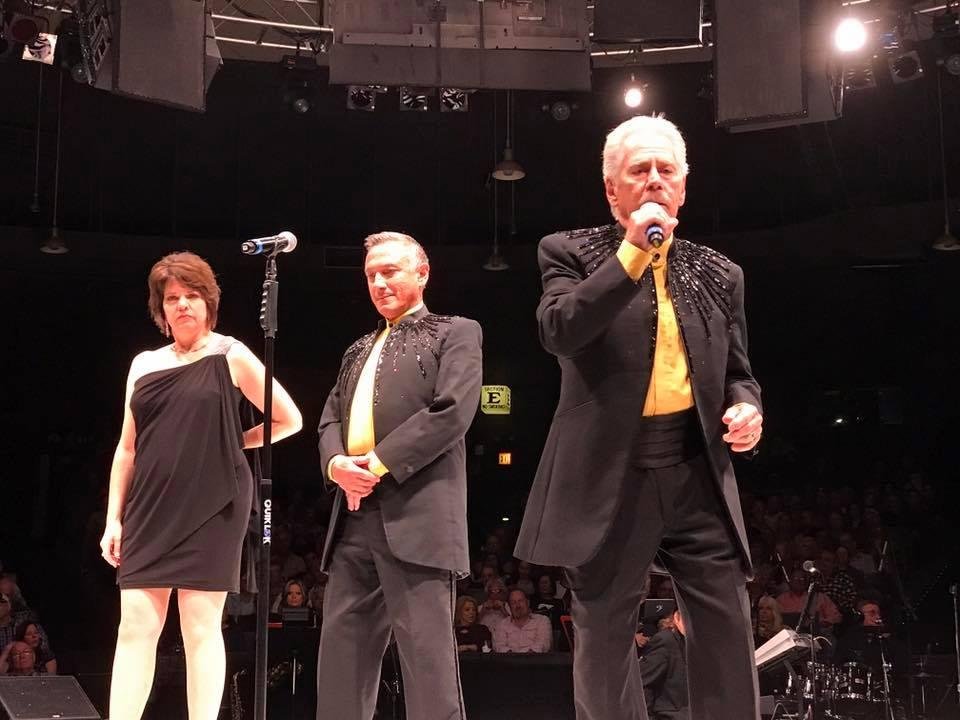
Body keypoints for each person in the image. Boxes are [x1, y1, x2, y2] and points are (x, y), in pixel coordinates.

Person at [516, 114, 764, 720]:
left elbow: (738, 370)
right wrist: (632, 251)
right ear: (612, 189)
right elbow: (560, 330)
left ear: (683, 186)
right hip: (611, 474)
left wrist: (747, 406)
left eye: (666, 170)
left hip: (697, 470)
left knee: (727, 630)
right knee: (604, 635)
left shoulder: (721, 272)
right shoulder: (568, 251)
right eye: (640, 170)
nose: (655, 179)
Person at [98, 251, 302, 720]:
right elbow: (126, 448)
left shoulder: (231, 355)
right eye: (172, 298)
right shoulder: (143, 364)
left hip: (215, 503)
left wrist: (233, 441)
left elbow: (288, 419)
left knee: (200, 628)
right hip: (150, 505)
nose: (183, 304)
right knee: (135, 627)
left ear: (209, 301)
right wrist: (113, 519)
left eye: (192, 295)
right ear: (161, 308)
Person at [316, 231, 483, 720]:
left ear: (422, 273)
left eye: (390, 271)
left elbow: (452, 412)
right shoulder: (356, 349)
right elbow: (329, 420)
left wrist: (375, 463)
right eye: (371, 275)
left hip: (419, 515)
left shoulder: (457, 331)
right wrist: (336, 464)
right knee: (341, 663)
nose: (379, 283)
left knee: (428, 666)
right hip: (353, 517)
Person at [640, 609, 689, 720]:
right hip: (670, 715)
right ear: (677, 617)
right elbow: (644, 683)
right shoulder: (665, 641)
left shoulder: (696, 642)